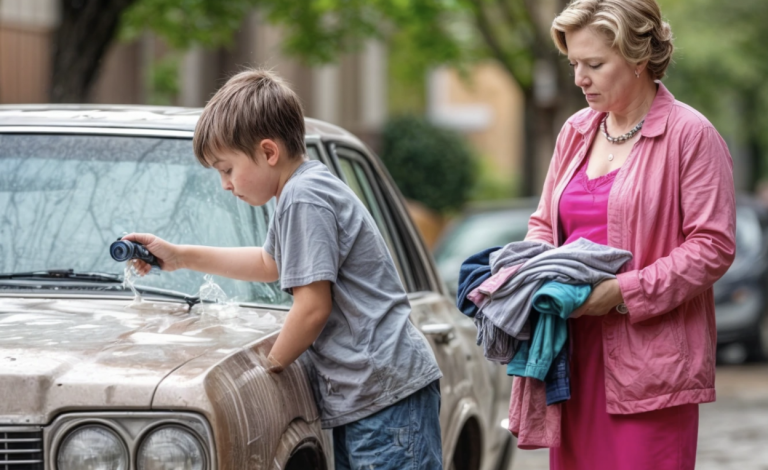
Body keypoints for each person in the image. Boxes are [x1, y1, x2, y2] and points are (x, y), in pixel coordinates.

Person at [124, 69, 444, 469]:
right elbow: (268, 263)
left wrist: (268, 365)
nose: (224, 184)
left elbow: (312, 308)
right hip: (372, 394)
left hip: (384, 397)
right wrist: (179, 256)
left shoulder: (303, 197)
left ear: (268, 152)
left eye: (226, 169)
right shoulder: (302, 189)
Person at [522, 0, 736, 469]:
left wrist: (622, 292)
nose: (580, 78)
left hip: (652, 368)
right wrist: (534, 273)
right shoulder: (575, 131)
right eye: (574, 63)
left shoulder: (691, 135)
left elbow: (713, 247)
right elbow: (543, 224)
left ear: (638, 58)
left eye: (595, 64)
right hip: (569, 358)